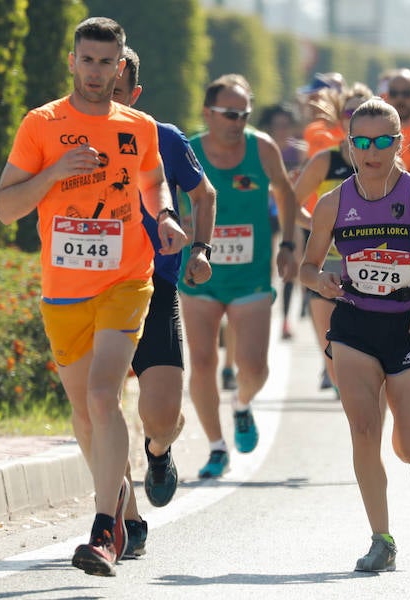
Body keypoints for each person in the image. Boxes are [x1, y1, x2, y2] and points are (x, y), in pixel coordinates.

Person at [0, 17, 192, 577]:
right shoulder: (42, 124)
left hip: (127, 280)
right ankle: (122, 504)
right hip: (63, 292)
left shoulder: (140, 126)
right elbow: (6, 207)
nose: (97, 72)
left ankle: (104, 531)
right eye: (88, 60)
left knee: (105, 396)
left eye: (108, 63)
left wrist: (167, 216)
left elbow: (153, 183)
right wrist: (55, 171)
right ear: (73, 62)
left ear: (121, 66)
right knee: (84, 414)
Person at [300, 97, 410, 572]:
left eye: (382, 141)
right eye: (362, 142)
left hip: (409, 327)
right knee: (363, 430)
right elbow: (308, 267)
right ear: (350, 145)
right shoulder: (333, 203)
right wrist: (321, 281)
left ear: (399, 144)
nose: (371, 150)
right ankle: (382, 538)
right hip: (354, 324)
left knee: (408, 444)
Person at [110, 46, 216, 557]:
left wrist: (201, 249)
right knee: (100, 408)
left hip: (156, 287)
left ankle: (159, 450)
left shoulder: (164, 138)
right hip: (90, 290)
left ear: (134, 92)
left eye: (117, 88)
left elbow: (205, 195)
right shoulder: (65, 134)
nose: (106, 96)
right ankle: (125, 517)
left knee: (160, 413)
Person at [177, 74, 298, 479]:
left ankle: (243, 404)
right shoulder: (188, 151)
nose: (238, 120)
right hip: (199, 275)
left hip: (251, 277)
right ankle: (215, 447)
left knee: (254, 368)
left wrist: (288, 246)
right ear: (207, 112)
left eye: (244, 113)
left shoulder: (261, 148)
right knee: (204, 360)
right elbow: (163, 200)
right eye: (230, 113)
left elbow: (285, 191)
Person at [293, 83, 372, 392]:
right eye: (350, 113)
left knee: (367, 354)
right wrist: (317, 227)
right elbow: (291, 201)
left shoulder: (387, 164)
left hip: (374, 267)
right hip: (329, 266)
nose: (356, 119)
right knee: (332, 352)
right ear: (340, 121)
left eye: (364, 112)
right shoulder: (325, 162)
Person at [258, 103, 307, 340]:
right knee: (266, 266)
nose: (281, 130)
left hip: (289, 211)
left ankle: (286, 320)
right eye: (277, 125)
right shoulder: (261, 149)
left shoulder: (300, 152)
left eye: (286, 125)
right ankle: (263, 315)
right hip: (265, 212)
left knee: (291, 265)